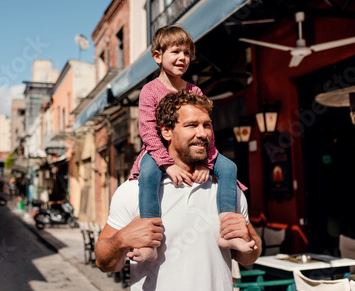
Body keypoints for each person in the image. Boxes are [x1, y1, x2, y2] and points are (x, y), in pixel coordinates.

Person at [94, 91, 262, 290]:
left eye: (206, 125)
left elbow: (249, 256)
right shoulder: (133, 190)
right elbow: (104, 263)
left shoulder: (227, 188)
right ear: (166, 131)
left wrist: (249, 239)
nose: (202, 133)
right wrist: (121, 239)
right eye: (191, 125)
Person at [130, 25, 254, 261]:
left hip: (198, 152)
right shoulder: (149, 90)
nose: (182, 58)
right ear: (157, 56)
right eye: (176, 52)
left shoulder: (195, 90)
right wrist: (167, 164)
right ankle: (149, 241)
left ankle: (228, 230)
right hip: (157, 150)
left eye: (187, 53)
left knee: (228, 167)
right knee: (147, 175)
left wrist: (205, 162)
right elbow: (147, 130)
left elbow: (206, 127)